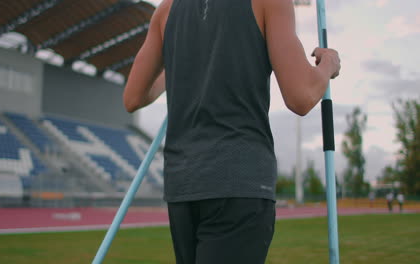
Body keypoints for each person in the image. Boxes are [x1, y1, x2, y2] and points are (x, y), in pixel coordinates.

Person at [123, 0, 341, 263]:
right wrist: (328, 65)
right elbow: (301, 96)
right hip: (239, 179)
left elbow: (133, 97)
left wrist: (188, 64)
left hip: (184, 185)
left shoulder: (166, 10)